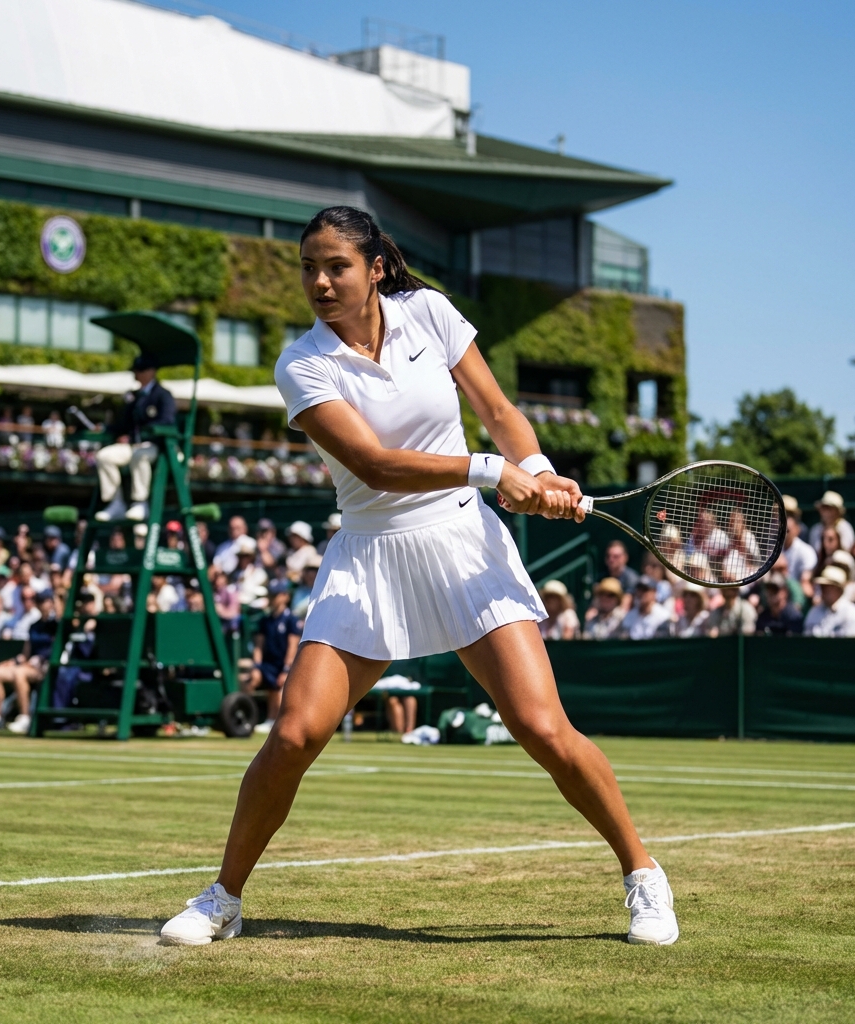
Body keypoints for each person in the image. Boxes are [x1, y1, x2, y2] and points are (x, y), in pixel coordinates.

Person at [159, 207, 681, 949]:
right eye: (308, 268)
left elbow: (497, 408)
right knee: (295, 734)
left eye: (336, 266)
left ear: (375, 268)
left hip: (464, 544)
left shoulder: (429, 312)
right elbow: (373, 465)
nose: (319, 282)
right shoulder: (301, 363)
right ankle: (223, 898)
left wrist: (535, 469)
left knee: (542, 727)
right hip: (369, 556)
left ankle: (643, 874)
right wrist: (491, 470)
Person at [95, 353, 177, 521]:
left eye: (141, 370)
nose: (137, 374)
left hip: (155, 446)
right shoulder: (134, 396)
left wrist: (147, 431)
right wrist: (105, 428)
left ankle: (140, 502)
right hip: (132, 445)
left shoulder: (163, 394)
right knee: (104, 456)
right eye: (136, 370)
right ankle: (116, 502)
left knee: (140, 456)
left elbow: (167, 420)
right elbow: (124, 424)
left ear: (152, 371)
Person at [0, 590, 58, 734]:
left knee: (19, 673)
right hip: (28, 665)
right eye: (40, 601)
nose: (42, 604)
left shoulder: (56, 625)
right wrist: (13, 661)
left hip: (44, 667)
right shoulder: (33, 626)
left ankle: (25, 717)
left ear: (51, 603)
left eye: (45, 601)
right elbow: (26, 653)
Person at [246, 577, 302, 733]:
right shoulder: (265, 620)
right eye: (270, 595)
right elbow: (258, 646)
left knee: (278, 690)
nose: (272, 598)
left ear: (285, 596)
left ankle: (276, 721)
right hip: (267, 664)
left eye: (276, 595)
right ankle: (247, 717)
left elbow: (292, 646)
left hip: (283, 664)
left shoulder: (291, 620)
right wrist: (256, 666)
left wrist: (286, 669)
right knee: (248, 682)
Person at [803, 566, 855, 637]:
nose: (823, 589)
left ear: (838, 588)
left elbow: (852, 642)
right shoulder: (814, 611)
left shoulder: (851, 613)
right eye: (822, 586)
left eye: (827, 586)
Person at [808, 491, 855, 555]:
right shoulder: (815, 529)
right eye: (823, 508)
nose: (825, 512)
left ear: (837, 511)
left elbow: (846, 551)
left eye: (829, 508)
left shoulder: (845, 527)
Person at [601, 540, 638, 612]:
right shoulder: (602, 577)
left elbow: (625, 607)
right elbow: (596, 603)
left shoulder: (631, 578)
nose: (611, 559)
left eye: (616, 556)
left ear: (625, 558)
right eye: (608, 556)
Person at [291, 552, 322, 622]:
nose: (311, 573)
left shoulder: (324, 592)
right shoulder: (299, 590)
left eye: (315, 570)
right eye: (309, 570)